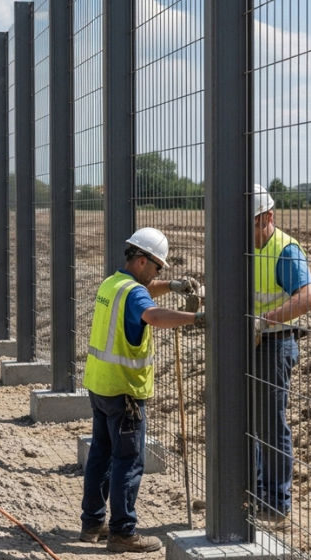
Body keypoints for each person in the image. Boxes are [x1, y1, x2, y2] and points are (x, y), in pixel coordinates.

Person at [79, 227, 203, 553]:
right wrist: (196, 318)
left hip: (100, 387)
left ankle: (92, 523)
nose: (158, 273)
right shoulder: (134, 294)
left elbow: (144, 292)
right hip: (125, 393)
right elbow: (151, 312)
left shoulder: (112, 283)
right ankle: (122, 532)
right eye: (158, 268)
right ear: (143, 260)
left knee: (101, 455)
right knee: (128, 460)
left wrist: (174, 286)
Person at [251, 183, 311, 527]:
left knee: (271, 425)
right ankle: (255, 492)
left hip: (274, 344)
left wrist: (265, 321)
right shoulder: (243, 244)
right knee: (250, 423)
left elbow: (307, 297)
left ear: (268, 217)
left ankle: (276, 504)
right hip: (248, 344)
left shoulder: (284, 250)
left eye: (250, 223)